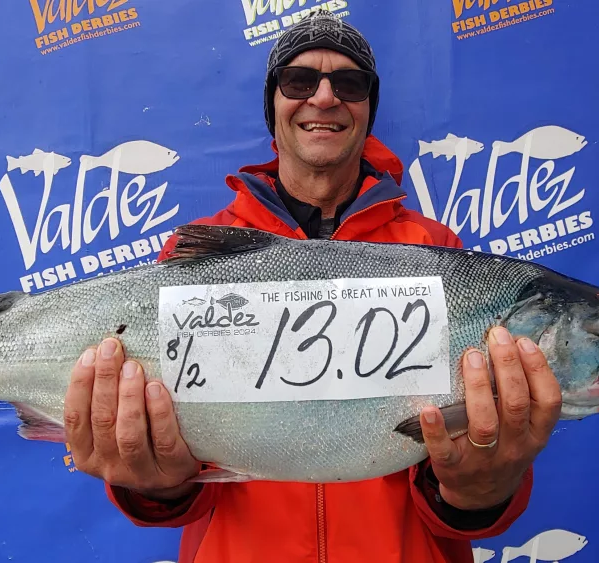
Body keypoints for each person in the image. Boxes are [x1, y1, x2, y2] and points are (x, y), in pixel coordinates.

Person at [62, 10, 562, 563]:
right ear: (273, 105)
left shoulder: (438, 253)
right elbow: (178, 486)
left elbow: (463, 477)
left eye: (349, 84)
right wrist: (152, 482)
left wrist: (480, 490)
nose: (324, 98)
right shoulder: (196, 259)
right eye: (300, 81)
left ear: (368, 109)